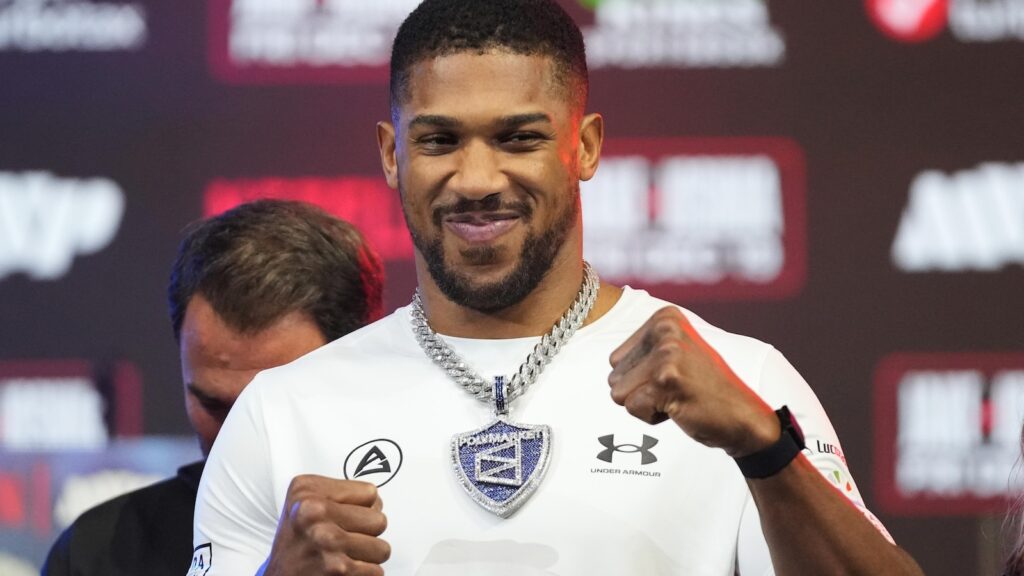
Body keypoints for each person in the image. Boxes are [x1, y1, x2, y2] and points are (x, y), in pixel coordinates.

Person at [191, 2, 924, 574]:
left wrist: (764, 447)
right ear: (392, 153)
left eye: (519, 138)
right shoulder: (282, 411)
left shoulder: (746, 381)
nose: (477, 180)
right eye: (440, 140)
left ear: (586, 146)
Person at [42, 199, 383, 576]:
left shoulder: (430, 520)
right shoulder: (99, 555)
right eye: (214, 406)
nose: (239, 437)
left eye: (272, 407)